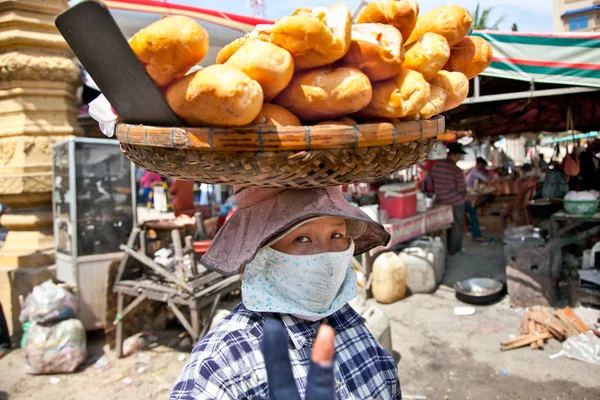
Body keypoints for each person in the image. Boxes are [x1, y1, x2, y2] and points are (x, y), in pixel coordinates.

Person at [170, 187, 401, 399]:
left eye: (336, 235)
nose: (326, 257)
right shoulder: (221, 365)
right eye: (301, 238)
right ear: (261, 252)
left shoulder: (351, 324)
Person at [432, 143, 484, 255]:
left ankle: (448, 248)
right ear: (454, 154)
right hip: (455, 201)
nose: (460, 158)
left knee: (446, 226)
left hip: (440, 201)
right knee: (457, 225)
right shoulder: (456, 169)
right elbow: (461, 188)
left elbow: (433, 183)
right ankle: (454, 250)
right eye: (459, 155)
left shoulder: (436, 165)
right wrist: (465, 194)